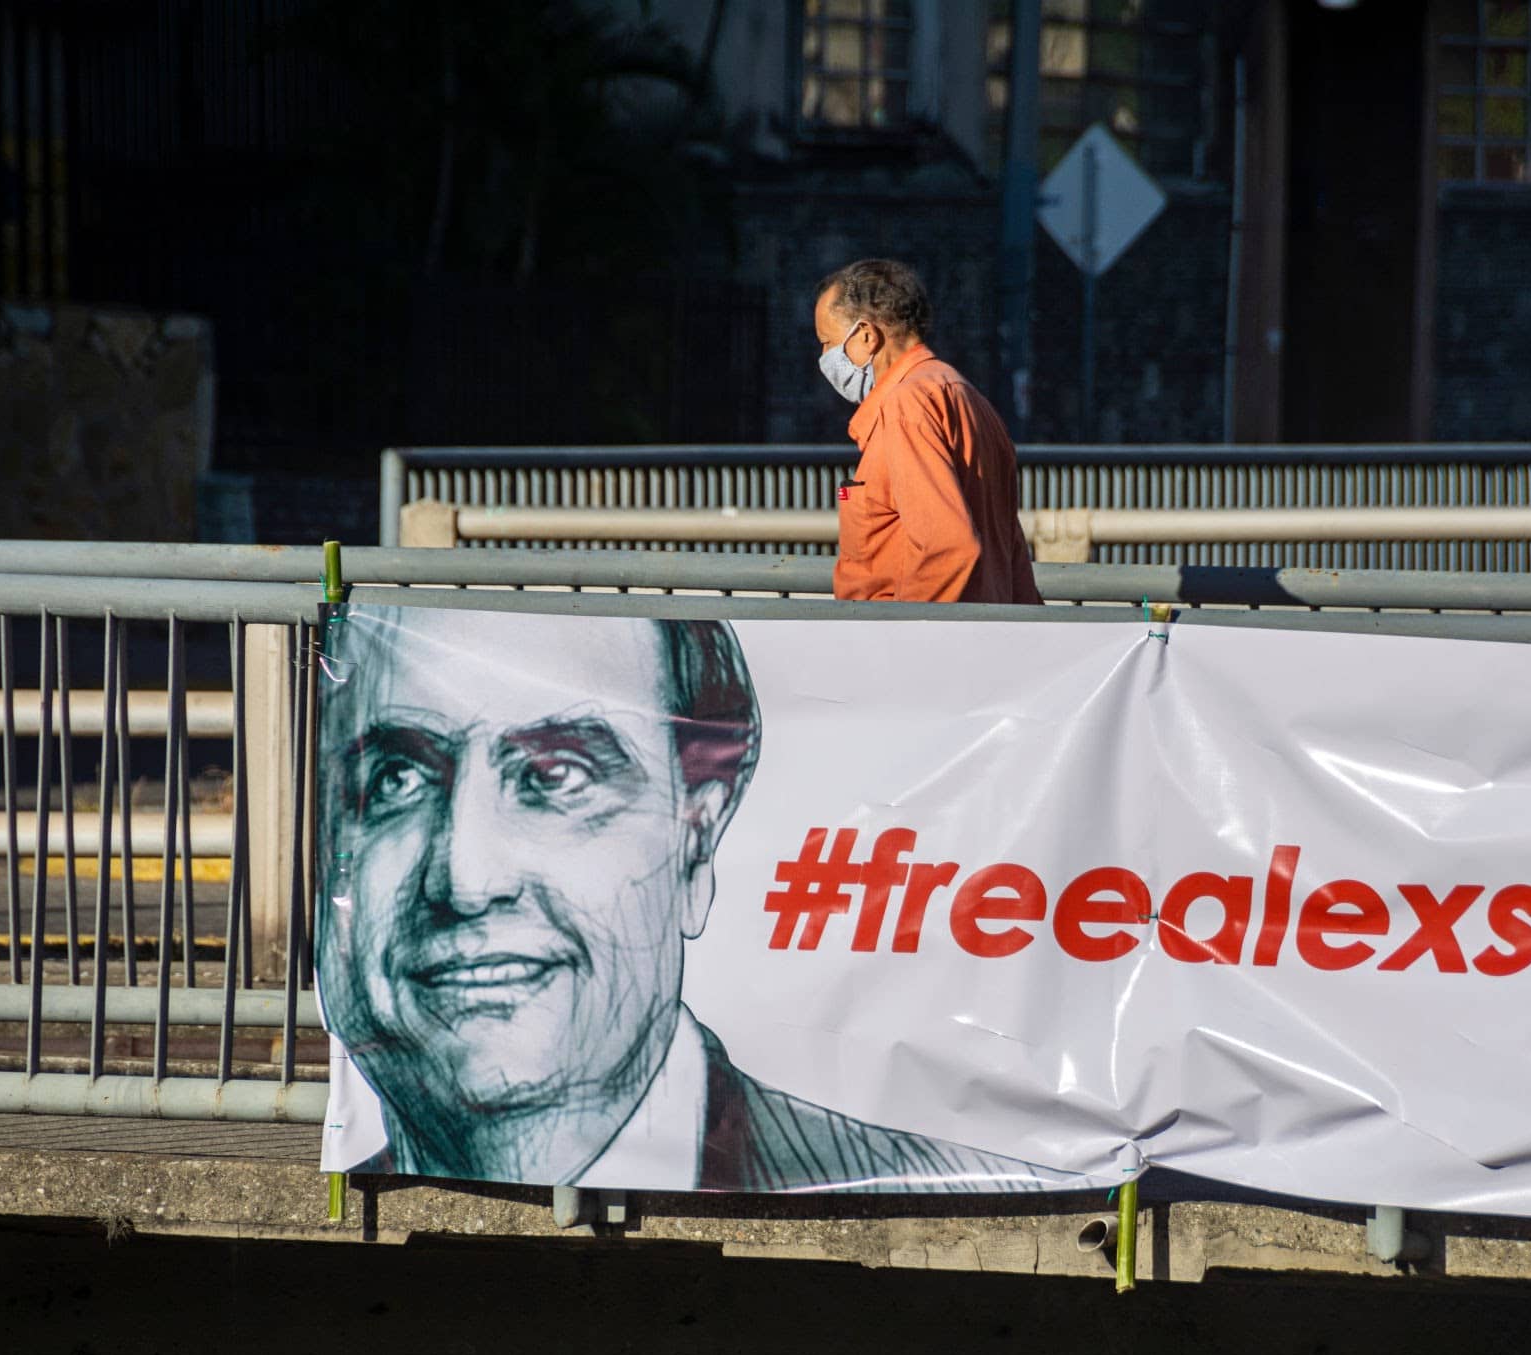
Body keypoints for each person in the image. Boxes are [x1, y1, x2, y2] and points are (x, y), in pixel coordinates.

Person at [315, 604, 1060, 1193]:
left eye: (557, 774)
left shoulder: (928, 1187)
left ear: (697, 834)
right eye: (397, 779)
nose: (465, 878)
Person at [814, 259, 1043, 604]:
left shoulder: (907, 405)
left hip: (911, 644)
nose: (824, 355)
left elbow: (947, 546)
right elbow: (1011, 554)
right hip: (982, 635)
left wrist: (903, 636)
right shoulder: (966, 396)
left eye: (827, 342)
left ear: (866, 335)